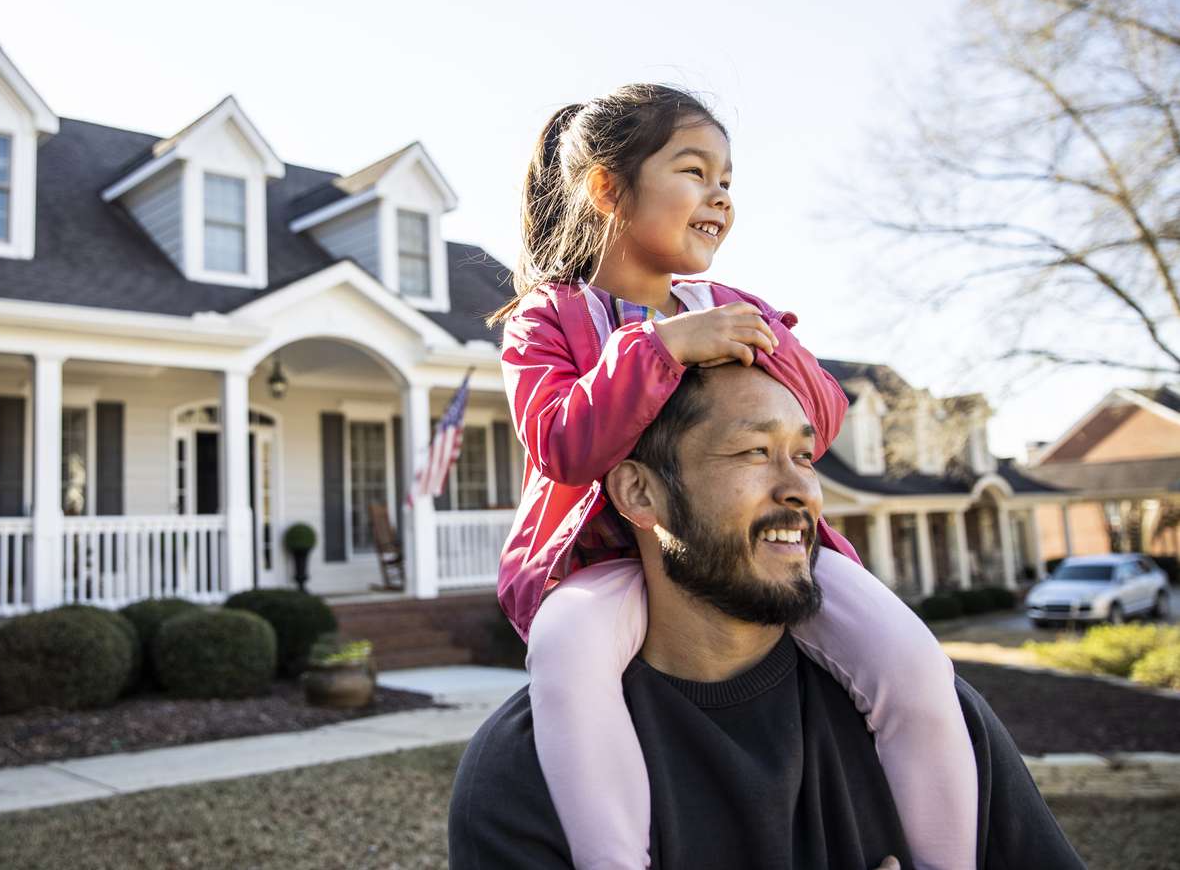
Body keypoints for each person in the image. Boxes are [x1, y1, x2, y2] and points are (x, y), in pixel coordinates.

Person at [488, 85, 976, 869]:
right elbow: (561, 446)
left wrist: (758, 343)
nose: (719, 195)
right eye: (694, 170)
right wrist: (661, 348)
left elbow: (820, 412)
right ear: (607, 188)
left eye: (727, 179)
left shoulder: (732, 304)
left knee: (912, 662)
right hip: (611, 561)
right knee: (565, 650)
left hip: (759, 550)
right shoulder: (548, 319)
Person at [450, 363, 1085, 869]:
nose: (803, 489)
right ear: (640, 492)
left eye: (803, 456)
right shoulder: (525, 769)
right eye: (754, 451)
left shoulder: (933, 716)